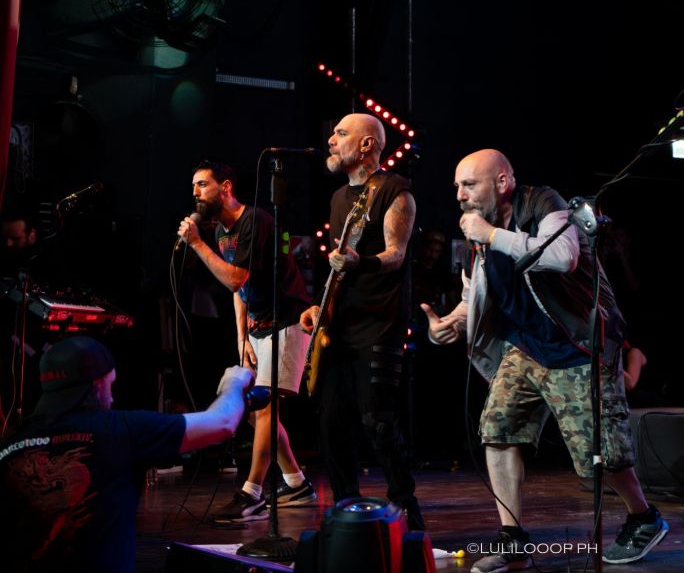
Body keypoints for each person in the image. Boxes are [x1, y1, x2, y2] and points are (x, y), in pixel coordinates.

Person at [422, 149, 669, 571]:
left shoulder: (542, 204)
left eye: (470, 184)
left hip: (577, 347)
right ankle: (513, 539)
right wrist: (450, 324)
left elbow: (562, 257)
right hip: (525, 349)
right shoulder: (478, 235)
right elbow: (475, 292)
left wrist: (491, 235)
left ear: (502, 182)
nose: (460, 195)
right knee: (498, 429)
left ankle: (643, 517)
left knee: (599, 457)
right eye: (457, 186)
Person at [0, 335, 255, 572]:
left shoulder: (10, 444)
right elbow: (222, 422)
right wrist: (233, 383)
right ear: (97, 384)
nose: (111, 399)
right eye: (110, 385)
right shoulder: (121, 429)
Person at [297, 113, 423, 529]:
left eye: (341, 133)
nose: (331, 140)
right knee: (331, 423)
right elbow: (338, 264)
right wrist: (319, 306)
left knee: (378, 421)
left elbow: (396, 254)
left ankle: (406, 510)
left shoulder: (395, 191)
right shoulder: (338, 198)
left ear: (367, 144)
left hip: (379, 323)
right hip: (340, 325)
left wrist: (360, 262)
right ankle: (346, 512)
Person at [177, 161, 316, 522]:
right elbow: (238, 291)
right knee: (256, 415)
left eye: (202, 184)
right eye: (193, 186)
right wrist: (242, 338)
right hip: (259, 327)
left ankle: (251, 493)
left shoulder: (255, 221)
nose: (195, 192)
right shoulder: (222, 233)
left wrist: (196, 244)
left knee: (266, 409)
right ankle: (296, 482)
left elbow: (235, 278)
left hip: (288, 320)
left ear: (225, 187)